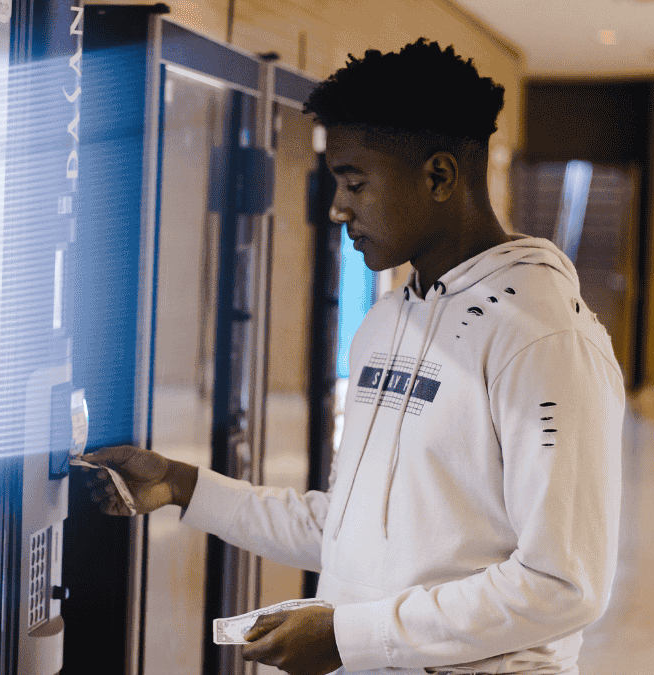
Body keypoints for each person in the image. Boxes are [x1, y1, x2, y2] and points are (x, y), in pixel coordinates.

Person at [79, 39, 625, 675]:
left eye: (356, 183)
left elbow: (563, 585)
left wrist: (351, 636)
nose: (338, 208)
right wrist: (183, 486)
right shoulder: (391, 317)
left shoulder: (542, 340)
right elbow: (353, 528)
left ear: (440, 176)